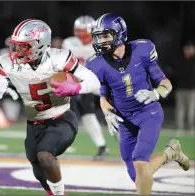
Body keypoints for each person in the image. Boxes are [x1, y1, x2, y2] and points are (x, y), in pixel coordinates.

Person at [0, 19, 101, 195]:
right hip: (34, 124)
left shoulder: (59, 58)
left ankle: (60, 194)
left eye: (23, 46)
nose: (17, 51)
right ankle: (51, 192)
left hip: (61, 119)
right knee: (38, 171)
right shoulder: (8, 63)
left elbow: (94, 81)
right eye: (16, 46)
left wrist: (77, 88)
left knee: (45, 155)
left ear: (40, 44)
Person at [79, 13, 190, 195]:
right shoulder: (97, 63)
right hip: (124, 120)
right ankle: (171, 153)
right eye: (99, 36)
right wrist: (107, 112)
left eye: (105, 35)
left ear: (119, 34)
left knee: (140, 162)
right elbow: (104, 95)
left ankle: (171, 153)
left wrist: (156, 93)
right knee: (137, 177)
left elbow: (165, 82)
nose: (101, 41)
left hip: (148, 113)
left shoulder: (142, 50)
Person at [62, 15, 108, 159]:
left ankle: (129, 141)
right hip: (83, 83)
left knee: (116, 112)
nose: (82, 35)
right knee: (86, 113)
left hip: (102, 82)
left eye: (85, 32)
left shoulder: (101, 43)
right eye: (79, 31)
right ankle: (101, 146)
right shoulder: (69, 43)